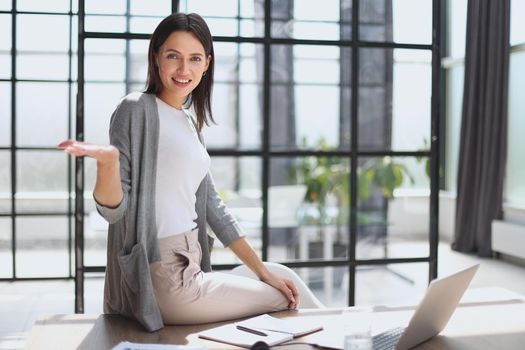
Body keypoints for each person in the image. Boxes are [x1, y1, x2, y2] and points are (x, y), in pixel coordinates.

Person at [59, 12, 323, 332]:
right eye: (173, 56)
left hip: (192, 264)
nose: (184, 69)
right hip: (162, 278)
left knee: (281, 274)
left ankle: (347, 330)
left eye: (194, 58)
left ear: (207, 63)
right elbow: (113, 211)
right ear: (156, 56)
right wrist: (108, 163)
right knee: (284, 298)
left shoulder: (189, 123)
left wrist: (262, 272)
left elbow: (216, 210)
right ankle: (346, 335)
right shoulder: (136, 109)